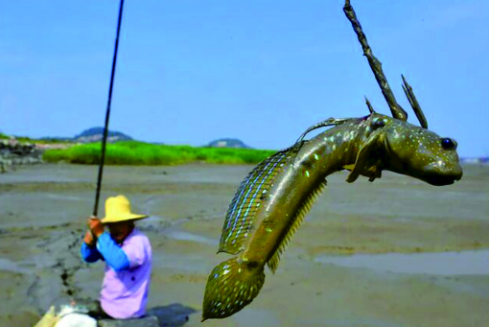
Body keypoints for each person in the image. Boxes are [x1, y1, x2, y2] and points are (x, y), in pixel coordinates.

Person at [80, 195, 152, 320]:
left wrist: (100, 234)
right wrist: (88, 243)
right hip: (108, 305)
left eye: (120, 224)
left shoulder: (139, 242)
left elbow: (119, 262)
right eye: (111, 225)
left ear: (130, 223)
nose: (115, 229)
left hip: (126, 312)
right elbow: (89, 257)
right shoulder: (113, 240)